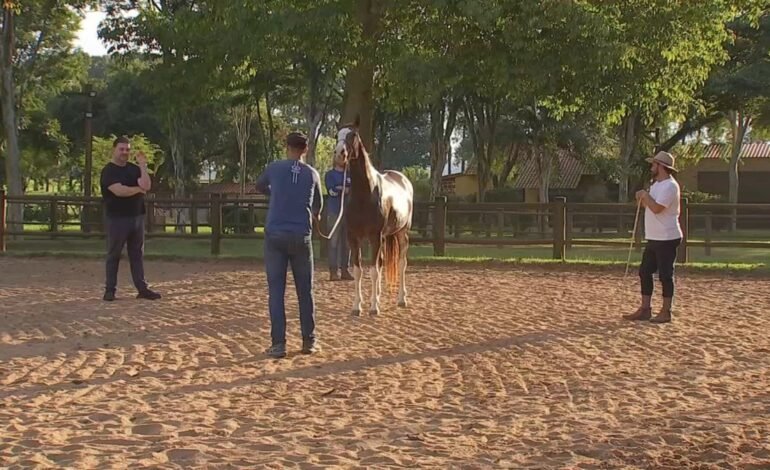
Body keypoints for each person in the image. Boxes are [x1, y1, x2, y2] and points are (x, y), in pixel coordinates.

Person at [256, 131, 323, 358]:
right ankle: (309, 340)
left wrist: (275, 194)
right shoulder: (312, 174)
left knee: (276, 291)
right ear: (305, 149)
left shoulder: (274, 168)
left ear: (287, 147)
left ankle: (278, 344)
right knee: (306, 290)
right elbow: (318, 206)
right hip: (301, 236)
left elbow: (259, 186)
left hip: (275, 234)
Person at [100, 135, 161, 302]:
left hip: (137, 217)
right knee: (114, 254)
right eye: (121, 149)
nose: (125, 152)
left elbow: (147, 185)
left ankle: (142, 288)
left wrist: (142, 165)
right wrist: (138, 190)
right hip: (117, 219)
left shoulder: (134, 169)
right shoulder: (109, 171)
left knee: (137, 254)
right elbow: (119, 191)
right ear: (114, 150)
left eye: (127, 149)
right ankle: (110, 290)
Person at [624, 151, 683, 324]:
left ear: (661, 167)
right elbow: (648, 206)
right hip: (654, 236)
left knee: (665, 274)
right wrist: (641, 198)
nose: (651, 167)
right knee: (645, 272)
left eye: (654, 164)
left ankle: (666, 311)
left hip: (667, 236)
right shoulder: (656, 185)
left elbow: (657, 208)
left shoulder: (671, 186)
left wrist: (645, 196)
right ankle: (645, 308)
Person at [324, 153, 353, 281]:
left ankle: (345, 270)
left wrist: (342, 188)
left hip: (348, 213)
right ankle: (333, 271)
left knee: (347, 243)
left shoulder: (350, 175)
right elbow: (332, 191)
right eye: (340, 156)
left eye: (344, 156)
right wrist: (343, 189)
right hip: (334, 212)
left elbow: (353, 190)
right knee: (334, 242)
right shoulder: (330, 175)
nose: (342, 158)